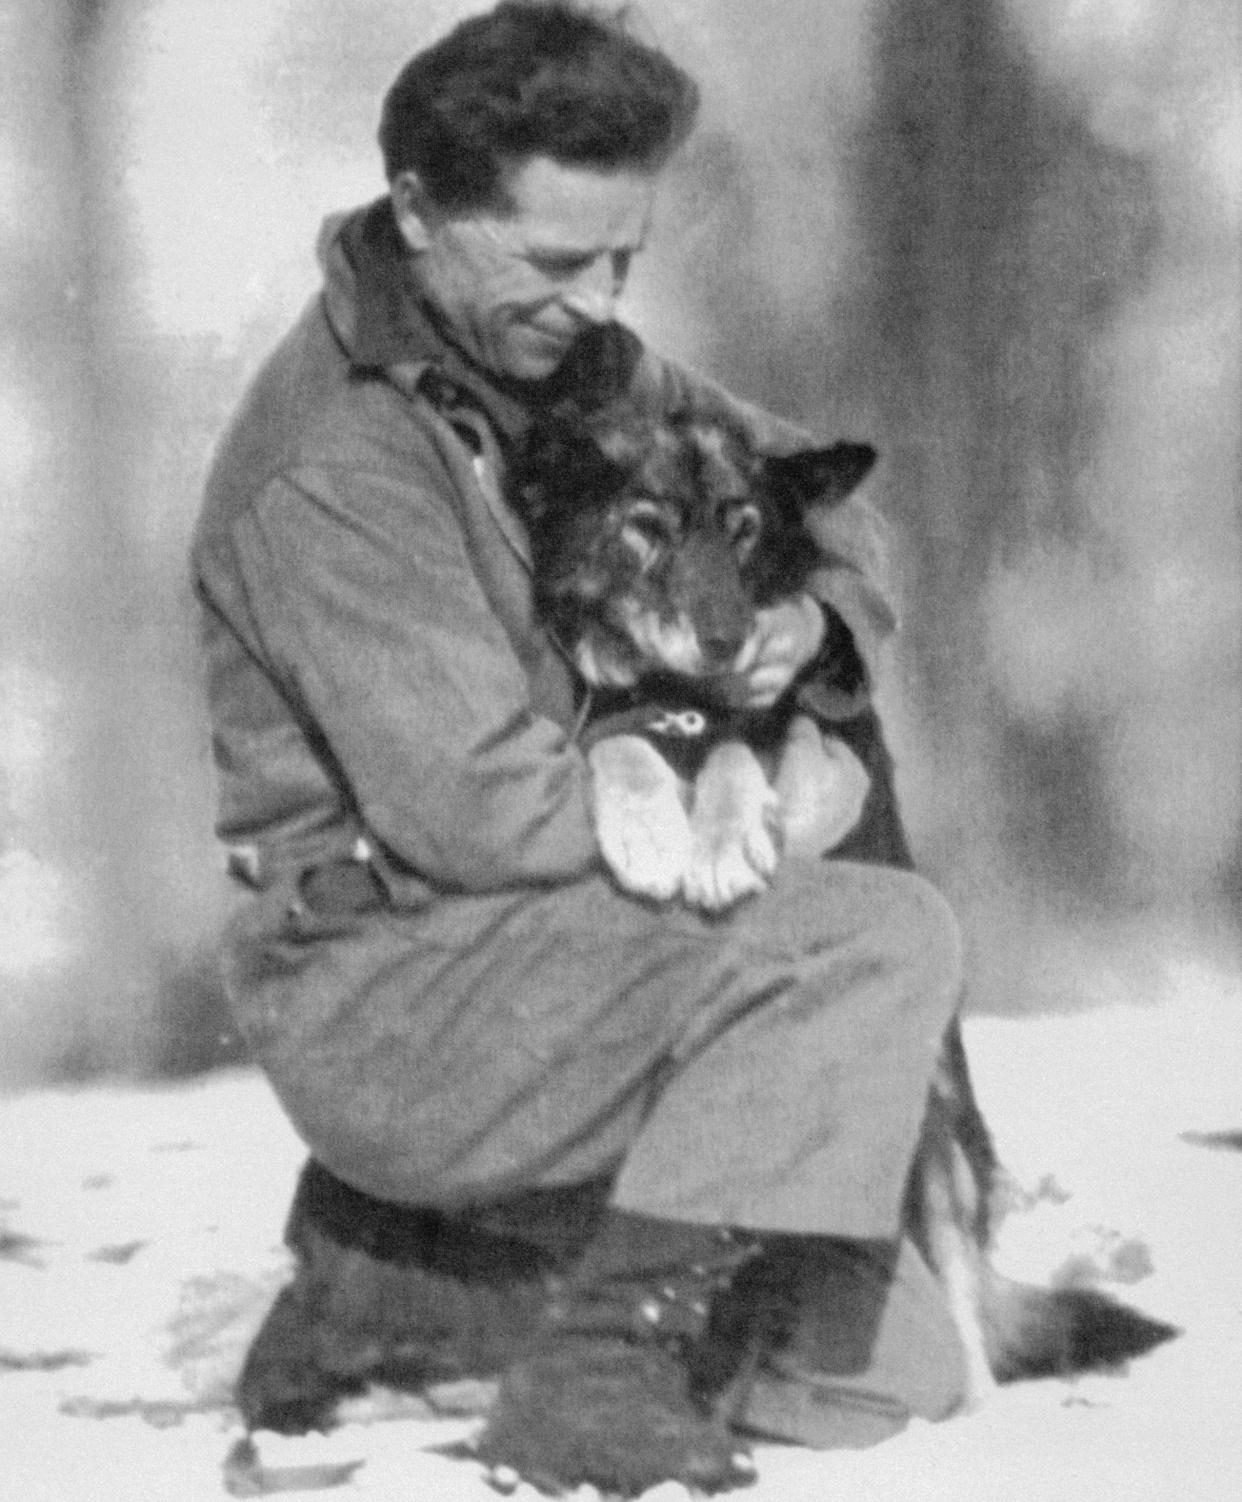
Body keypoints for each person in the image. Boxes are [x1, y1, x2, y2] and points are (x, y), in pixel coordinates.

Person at [192, 3, 970, 1494]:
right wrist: (799, 806)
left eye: (623, 257)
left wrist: (811, 634)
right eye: (557, 260)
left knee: (892, 1375)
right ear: (417, 213)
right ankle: (593, 1373)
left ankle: (407, 1273)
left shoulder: (573, 364)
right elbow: (485, 814)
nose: (601, 300)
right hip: (400, 985)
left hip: (565, 961)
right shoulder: (333, 466)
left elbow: (824, 499)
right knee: (867, 942)